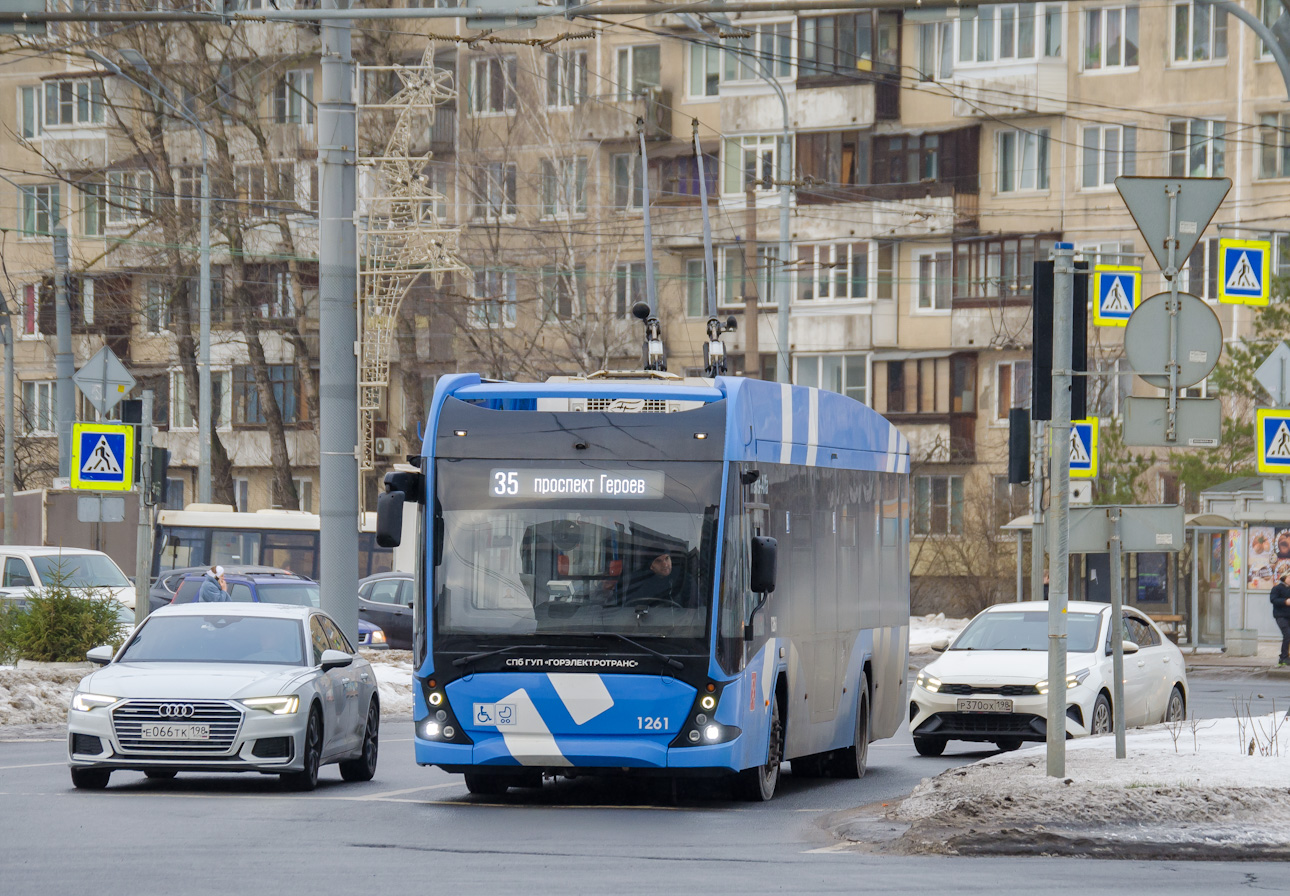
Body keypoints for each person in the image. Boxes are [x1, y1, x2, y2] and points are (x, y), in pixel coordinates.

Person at [623, 552, 694, 607]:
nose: (665, 564)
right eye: (658, 561)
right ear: (651, 566)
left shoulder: (683, 578)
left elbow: (694, 609)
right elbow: (631, 607)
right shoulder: (640, 580)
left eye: (667, 558)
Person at [1271, 571, 1290, 667]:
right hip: (1281, 616)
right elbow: (1273, 600)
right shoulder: (1277, 588)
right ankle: (1283, 657)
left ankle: (1285, 657)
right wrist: (1285, 601)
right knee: (1287, 634)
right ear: (1284, 578)